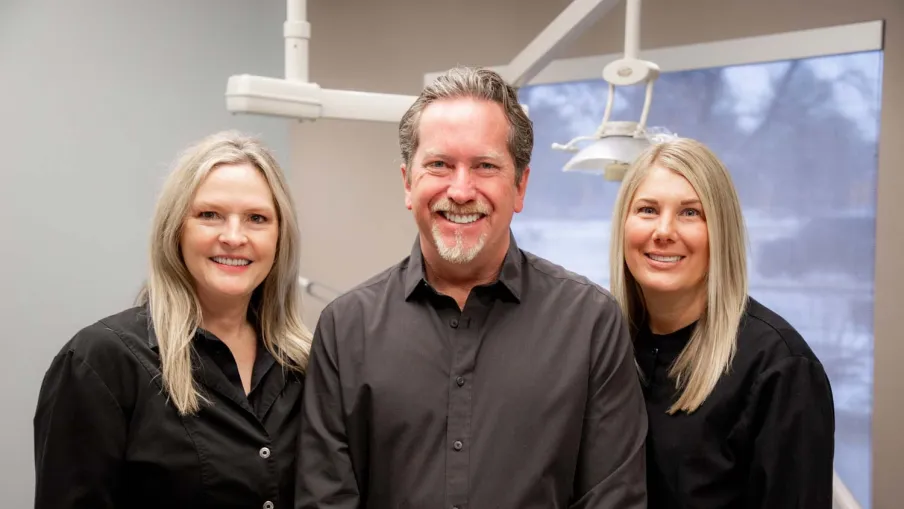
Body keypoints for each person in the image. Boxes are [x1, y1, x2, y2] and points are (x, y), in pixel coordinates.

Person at [297, 66, 648, 509]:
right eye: (440, 164)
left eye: (485, 166)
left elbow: (613, 500)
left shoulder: (590, 323)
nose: (461, 190)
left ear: (520, 186)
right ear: (408, 182)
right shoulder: (345, 329)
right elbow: (325, 500)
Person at [33, 131, 312, 509]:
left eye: (256, 218)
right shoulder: (100, 362)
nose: (233, 237)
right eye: (209, 215)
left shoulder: (305, 367)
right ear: (175, 228)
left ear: (280, 237)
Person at [609, 137, 836, 508]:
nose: (664, 231)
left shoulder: (780, 369)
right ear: (623, 226)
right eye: (648, 210)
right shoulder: (606, 344)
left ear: (721, 231)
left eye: (690, 213)